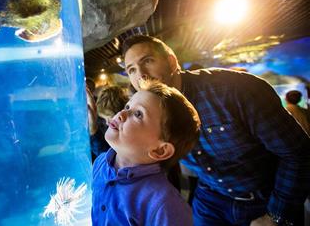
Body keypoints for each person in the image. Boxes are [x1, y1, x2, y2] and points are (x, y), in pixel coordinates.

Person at [121, 35, 310, 226]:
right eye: (131, 70)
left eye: (147, 61)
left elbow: (299, 153)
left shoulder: (235, 90)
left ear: (171, 62)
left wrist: (277, 215)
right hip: (208, 198)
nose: (141, 75)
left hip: (264, 199)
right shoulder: (149, 111)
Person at [92, 81, 200, 225]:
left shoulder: (165, 205)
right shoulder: (100, 162)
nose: (121, 114)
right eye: (127, 106)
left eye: (138, 114)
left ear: (159, 150)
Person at [89, 86, 129, 161]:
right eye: (104, 118)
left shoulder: (125, 133)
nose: (107, 122)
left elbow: (109, 158)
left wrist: (94, 133)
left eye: (109, 117)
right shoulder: (102, 122)